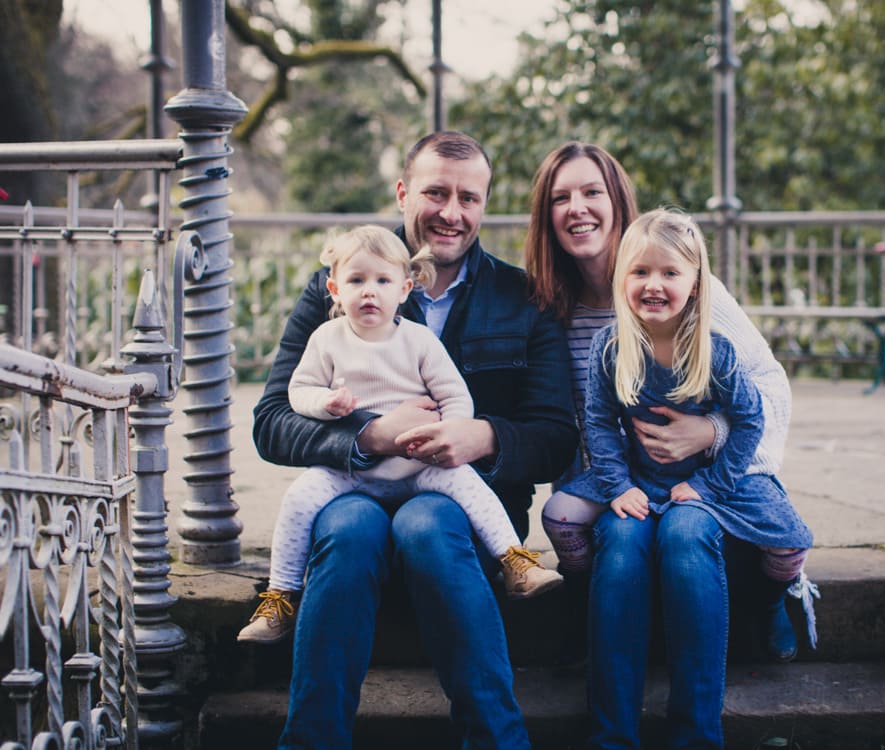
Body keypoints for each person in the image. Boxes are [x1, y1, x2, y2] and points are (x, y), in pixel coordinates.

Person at [251, 132, 578, 748]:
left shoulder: (524, 299)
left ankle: (497, 741)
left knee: (426, 523)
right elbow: (271, 419)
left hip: (464, 503)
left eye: (468, 198)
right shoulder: (343, 285)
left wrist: (482, 437)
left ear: (483, 205)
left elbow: (557, 437)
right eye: (435, 192)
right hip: (354, 489)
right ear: (403, 193)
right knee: (348, 531)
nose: (451, 213)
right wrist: (368, 436)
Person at [560, 208, 813, 748]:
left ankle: (697, 734)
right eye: (640, 273)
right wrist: (615, 485)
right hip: (632, 477)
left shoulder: (713, 349)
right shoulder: (613, 346)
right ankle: (611, 735)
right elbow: (598, 423)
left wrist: (710, 485)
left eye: (670, 274)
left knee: (690, 532)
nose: (654, 285)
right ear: (620, 278)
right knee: (602, 533)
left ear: (697, 284)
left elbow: (753, 418)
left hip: (706, 479)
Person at [238, 226, 563, 644]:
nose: (369, 292)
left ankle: (516, 562)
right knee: (299, 497)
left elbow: (454, 394)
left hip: (417, 463)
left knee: (468, 483)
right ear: (334, 289)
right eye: (356, 281)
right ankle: (281, 596)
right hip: (352, 472)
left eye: (382, 281)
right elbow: (296, 393)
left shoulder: (419, 340)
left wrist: (451, 434)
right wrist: (327, 405)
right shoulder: (326, 339)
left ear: (405, 289)